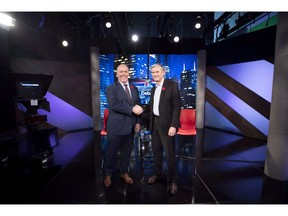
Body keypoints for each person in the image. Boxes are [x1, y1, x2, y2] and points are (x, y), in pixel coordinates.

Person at [103, 63, 143, 188]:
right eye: (121, 72)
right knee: (111, 153)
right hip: (116, 127)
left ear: (128, 73)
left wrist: (138, 122)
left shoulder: (133, 88)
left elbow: (138, 105)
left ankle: (124, 172)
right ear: (117, 73)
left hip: (130, 127)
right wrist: (131, 110)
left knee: (127, 152)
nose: (123, 74)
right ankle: (107, 174)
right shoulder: (111, 88)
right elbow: (113, 105)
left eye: (125, 71)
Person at [147, 63, 181, 195]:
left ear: (163, 72)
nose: (155, 74)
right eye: (153, 72)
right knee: (156, 153)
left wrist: (174, 125)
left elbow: (177, 107)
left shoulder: (172, 85)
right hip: (155, 123)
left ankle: (173, 180)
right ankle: (157, 173)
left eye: (157, 72)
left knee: (170, 155)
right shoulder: (153, 89)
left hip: (167, 125)